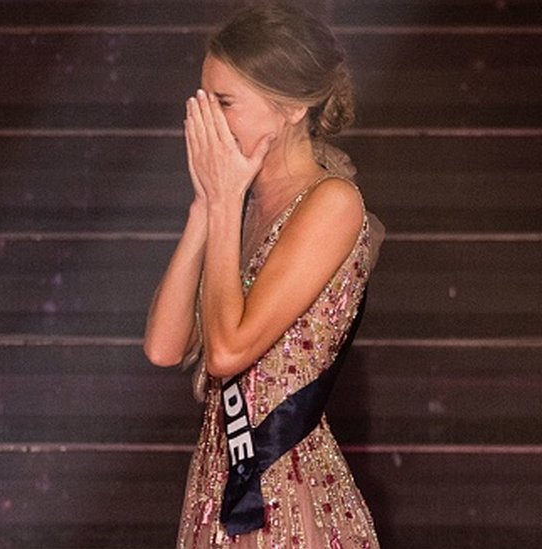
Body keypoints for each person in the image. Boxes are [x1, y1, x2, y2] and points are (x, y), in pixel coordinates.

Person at [143, 4, 383, 547]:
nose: (205, 118)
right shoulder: (240, 206)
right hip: (218, 477)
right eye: (203, 99)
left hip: (284, 489)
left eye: (224, 101)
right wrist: (206, 208)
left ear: (292, 107)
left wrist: (225, 204)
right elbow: (163, 346)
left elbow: (229, 352)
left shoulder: (332, 203)